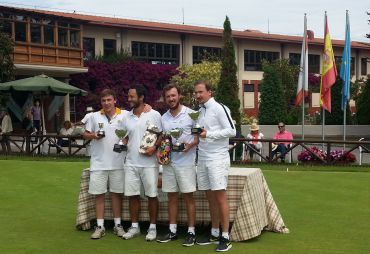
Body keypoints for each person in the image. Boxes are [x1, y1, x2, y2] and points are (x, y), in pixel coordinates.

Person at [193, 81, 236, 252]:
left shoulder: (220, 108)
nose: (198, 95)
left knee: (220, 197)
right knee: (210, 197)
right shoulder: (199, 111)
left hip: (217, 158)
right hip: (202, 158)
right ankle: (214, 232)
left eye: (201, 92)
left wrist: (208, 134)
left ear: (210, 92)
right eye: (196, 92)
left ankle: (225, 236)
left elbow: (232, 131)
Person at [156, 84, 199, 246]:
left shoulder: (191, 114)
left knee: (189, 197)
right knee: (171, 197)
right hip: (169, 162)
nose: (171, 99)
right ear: (165, 98)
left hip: (186, 162)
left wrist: (191, 144)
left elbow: (197, 137)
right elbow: (162, 137)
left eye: (173, 95)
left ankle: (191, 232)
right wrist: (158, 152)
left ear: (179, 95)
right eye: (168, 96)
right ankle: (172, 231)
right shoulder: (164, 117)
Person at [83, 89, 126, 239]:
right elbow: (85, 133)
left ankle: (117, 225)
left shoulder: (125, 115)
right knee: (99, 195)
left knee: (116, 195)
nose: (106, 103)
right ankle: (100, 226)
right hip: (98, 163)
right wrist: (93, 135)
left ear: (115, 100)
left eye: (109, 100)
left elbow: (130, 132)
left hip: (118, 163)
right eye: (103, 101)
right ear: (101, 102)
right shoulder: (93, 116)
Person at [121, 84, 162, 241]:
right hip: (131, 162)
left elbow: (161, 134)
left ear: (141, 97)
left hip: (150, 163)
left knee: (152, 196)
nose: (129, 99)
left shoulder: (154, 114)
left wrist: (155, 147)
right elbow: (125, 137)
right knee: (133, 196)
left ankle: (152, 228)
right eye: (129, 96)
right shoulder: (126, 116)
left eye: (132, 96)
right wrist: (120, 143)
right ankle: (135, 227)